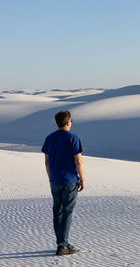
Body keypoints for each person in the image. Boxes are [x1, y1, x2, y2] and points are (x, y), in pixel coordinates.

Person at [41, 110, 85, 256]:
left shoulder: (49, 138)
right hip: (70, 180)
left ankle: (63, 243)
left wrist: (50, 178)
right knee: (67, 212)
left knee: (57, 212)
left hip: (55, 179)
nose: (71, 123)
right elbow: (78, 160)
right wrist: (83, 178)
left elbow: (46, 161)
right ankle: (62, 245)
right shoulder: (73, 137)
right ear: (67, 122)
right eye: (71, 121)